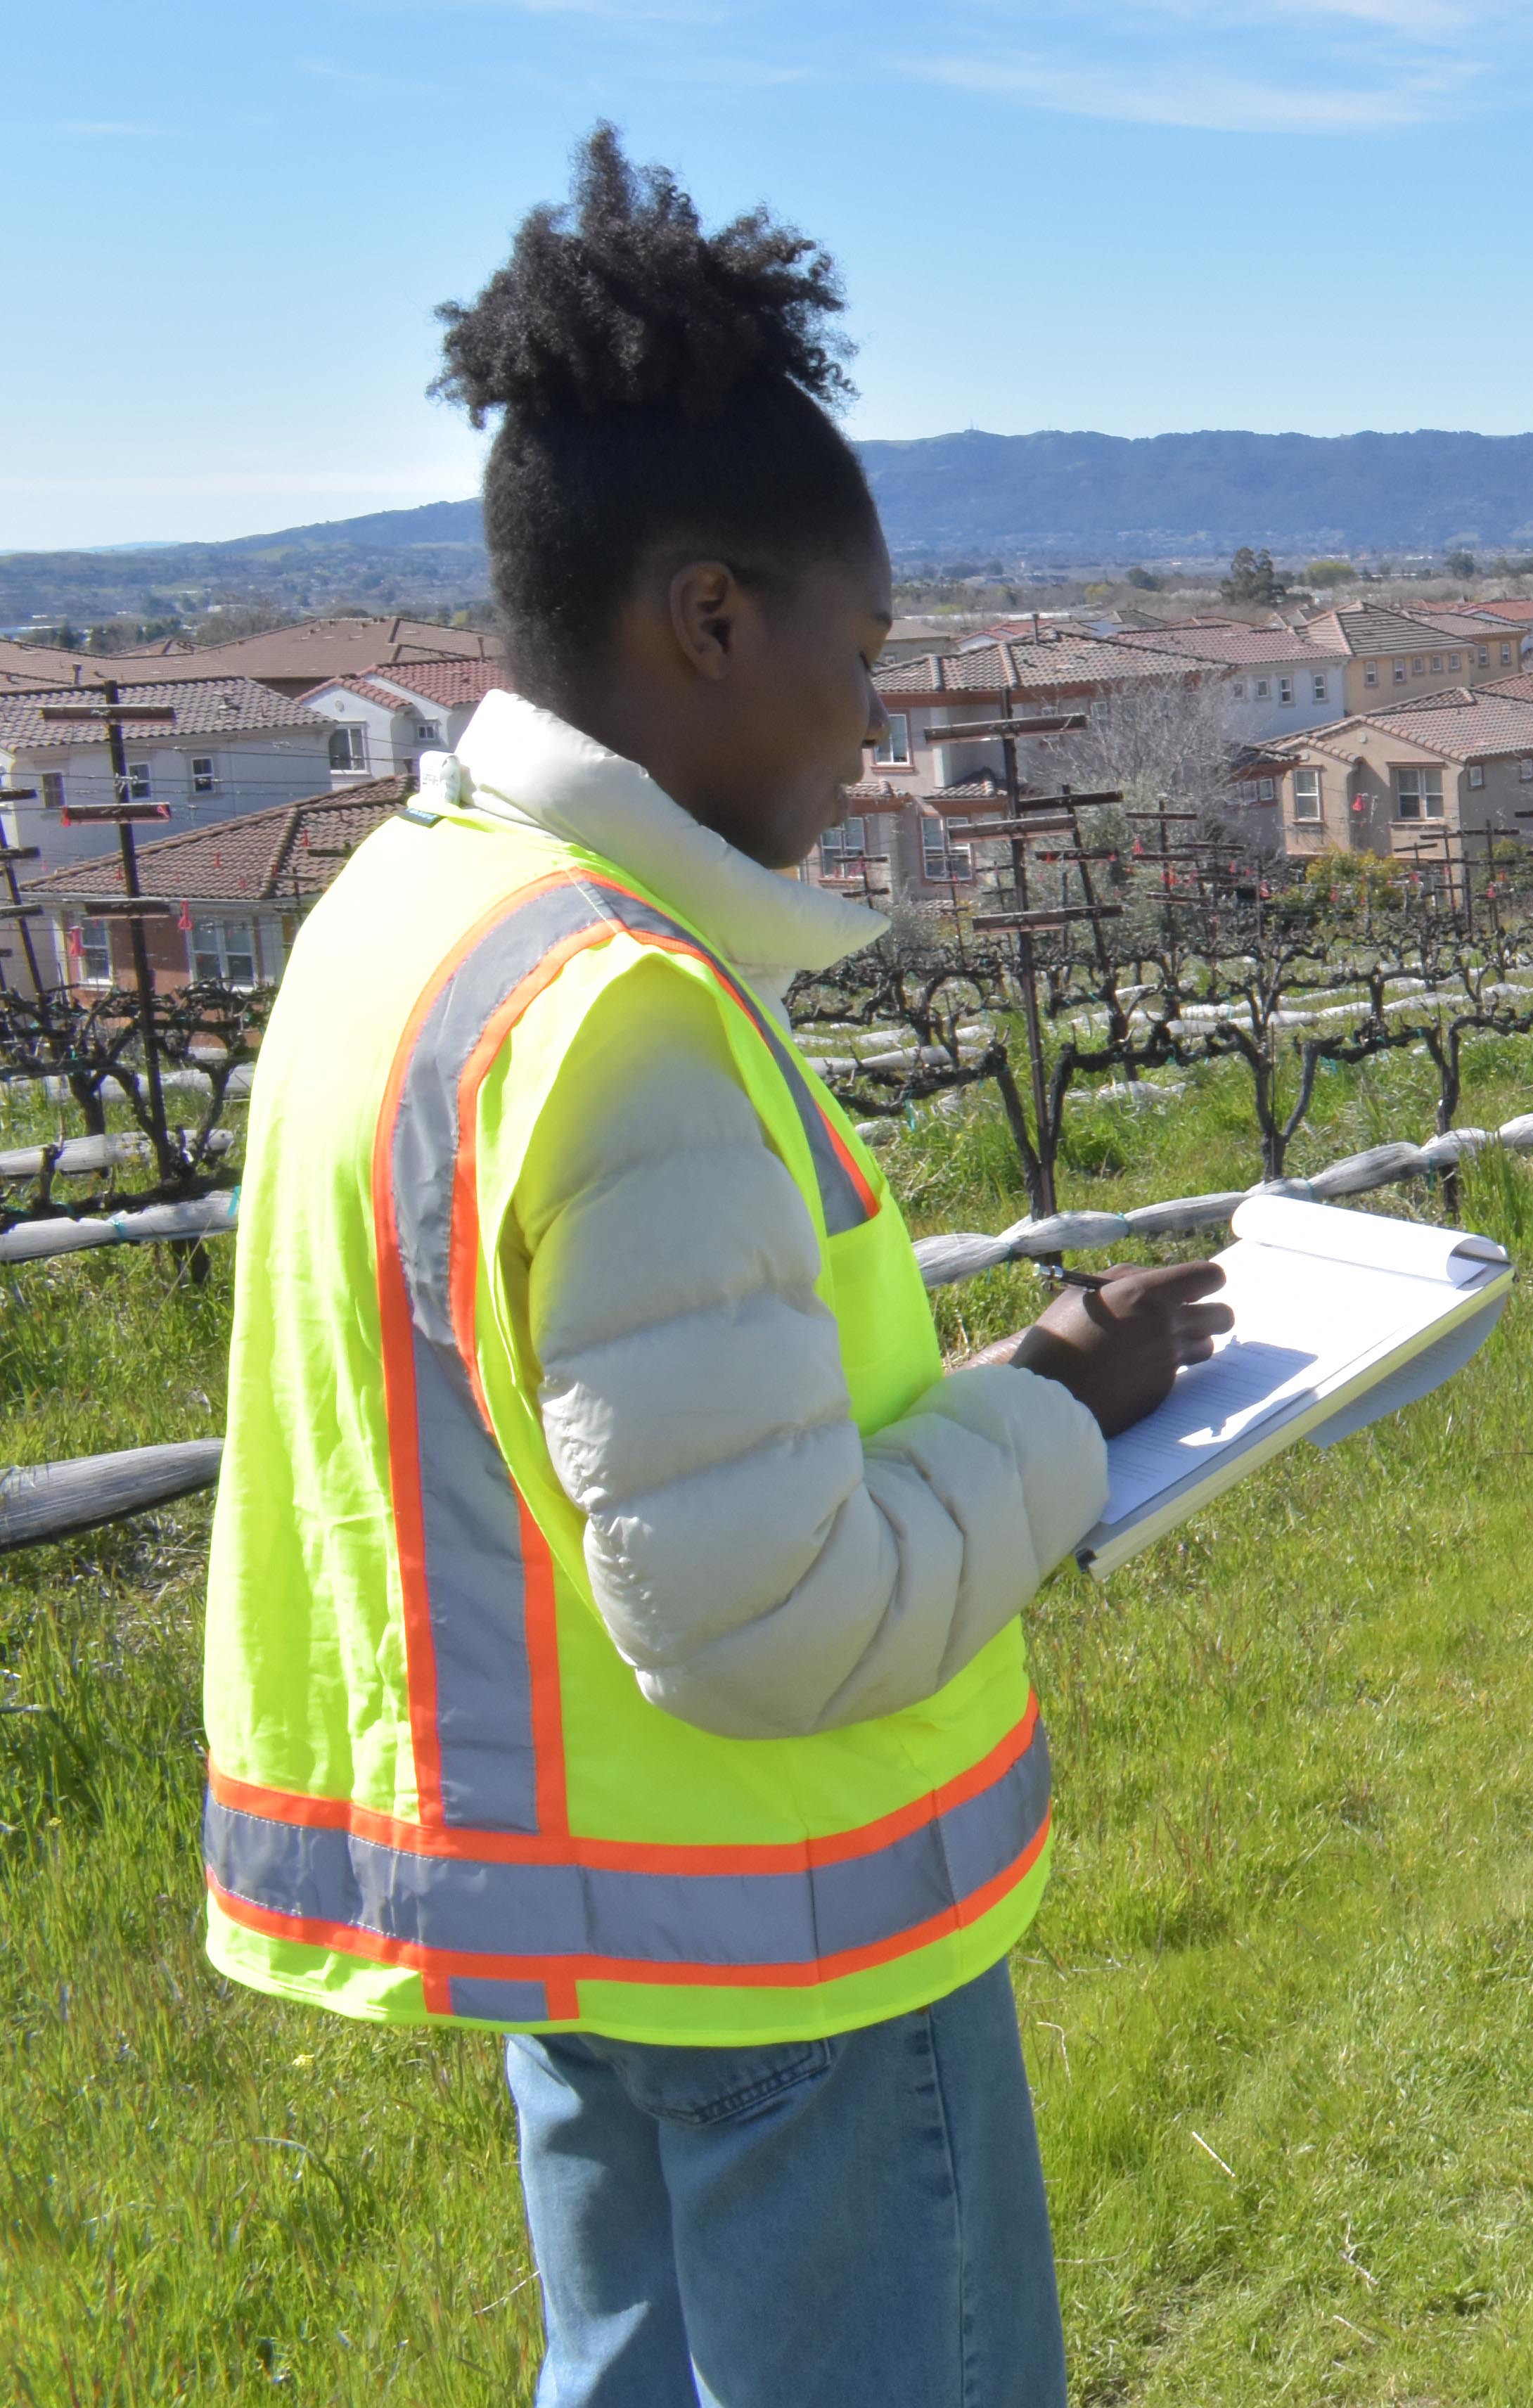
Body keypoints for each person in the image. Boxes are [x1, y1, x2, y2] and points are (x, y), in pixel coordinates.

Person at [195, 130, 1228, 2407]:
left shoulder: (402, 925)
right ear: (710, 619)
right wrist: (1058, 1405)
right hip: (789, 1948)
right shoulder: (630, 1016)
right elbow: (770, 1618)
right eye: (858, 660)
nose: (874, 736)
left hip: (601, 1936)